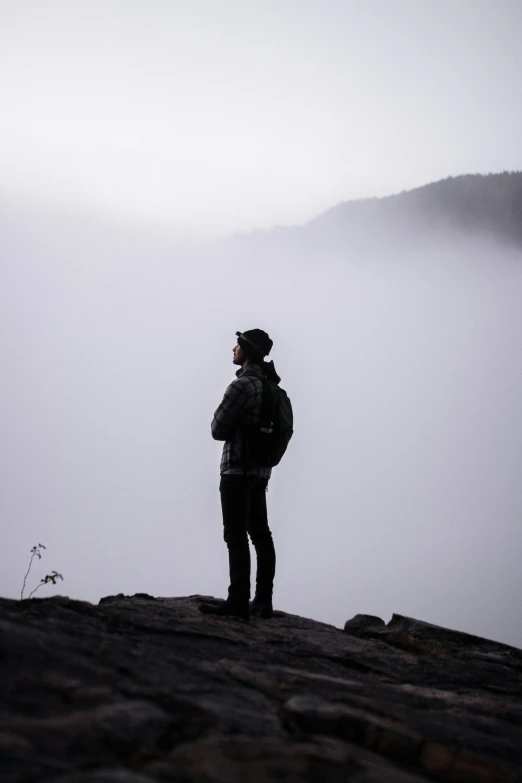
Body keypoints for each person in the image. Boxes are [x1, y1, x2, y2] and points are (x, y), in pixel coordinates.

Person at [199, 329, 281, 621]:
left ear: (247, 350)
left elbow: (217, 429)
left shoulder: (242, 386)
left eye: (238, 344)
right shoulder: (271, 386)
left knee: (235, 535)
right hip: (261, 471)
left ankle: (237, 602)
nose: (233, 349)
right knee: (261, 534)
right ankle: (263, 601)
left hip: (236, 468)